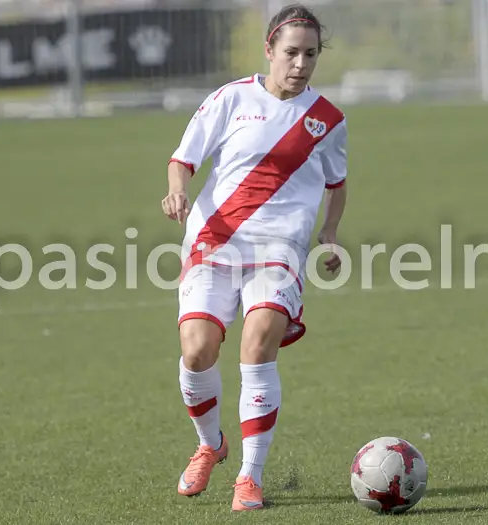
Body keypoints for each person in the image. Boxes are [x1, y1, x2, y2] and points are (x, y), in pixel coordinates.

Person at [160, 3, 348, 512]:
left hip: (280, 249)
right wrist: (177, 191)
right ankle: (209, 444)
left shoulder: (326, 119)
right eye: (291, 52)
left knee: (258, 341)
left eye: (310, 54)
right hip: (214, 241)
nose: (301, 64)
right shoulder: (230, 98)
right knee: (197, 349)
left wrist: (329, 233)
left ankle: (250, 476)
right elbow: (183, 160)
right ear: (269, 49)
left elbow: (337, 183)